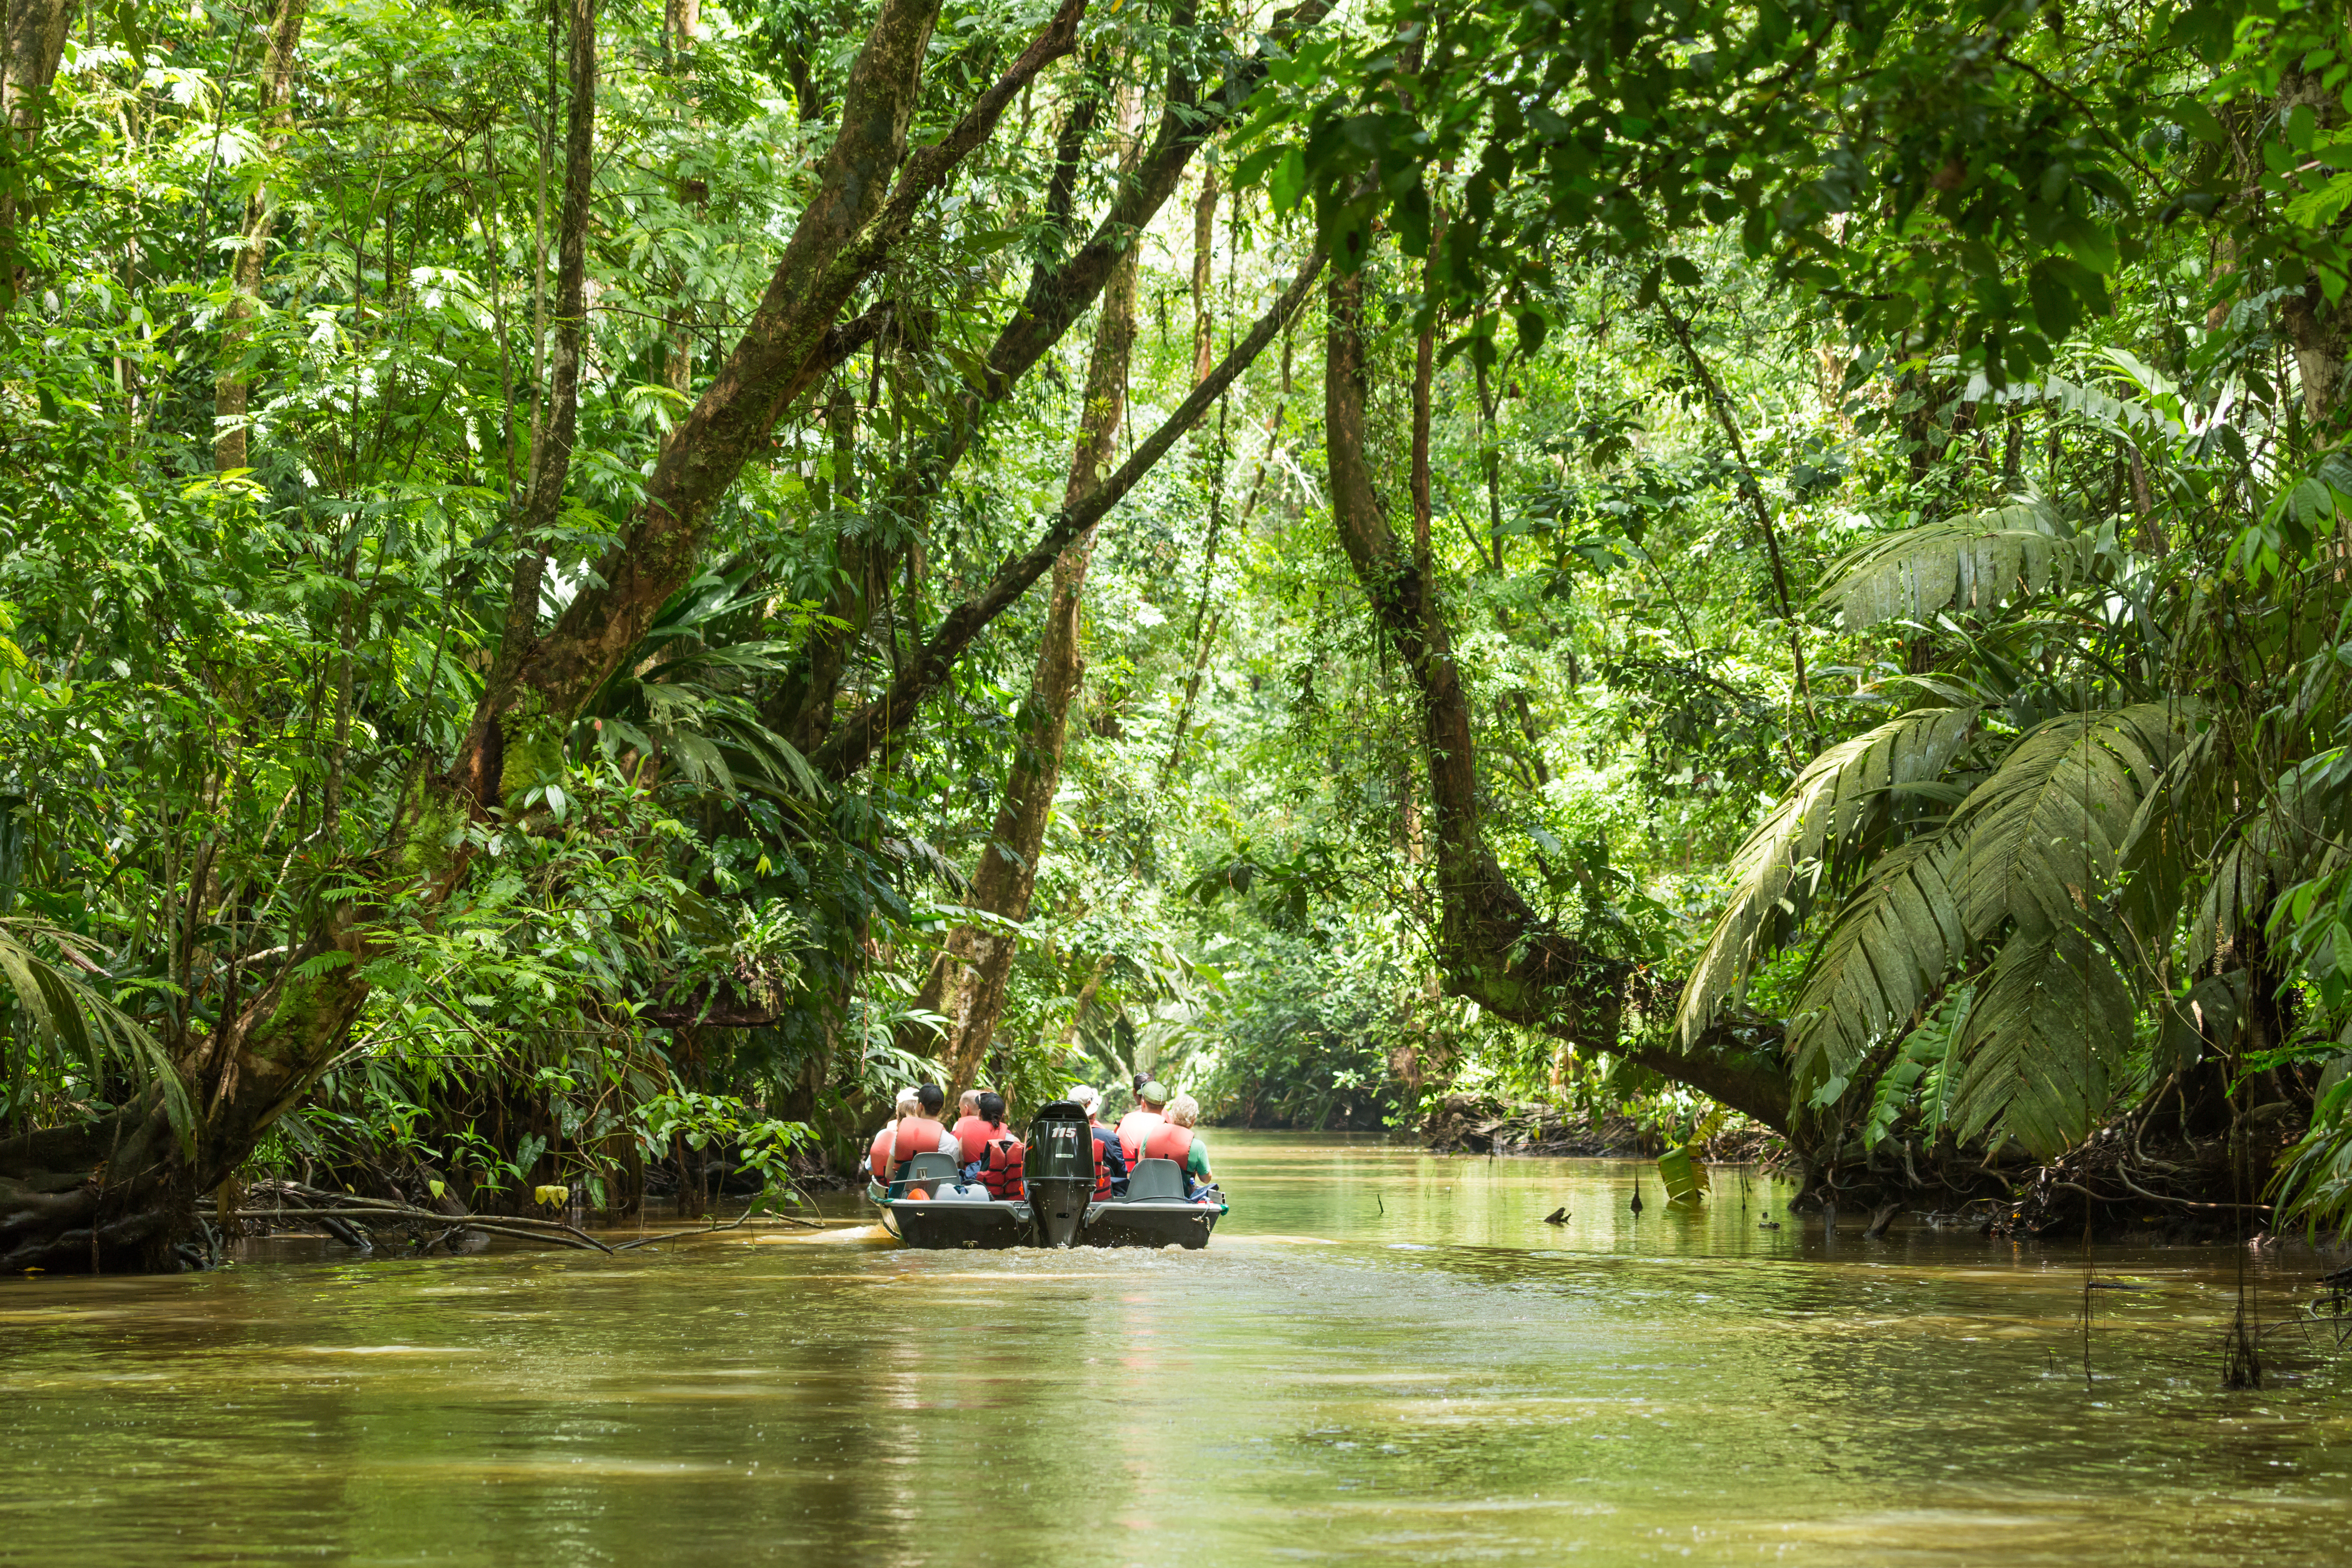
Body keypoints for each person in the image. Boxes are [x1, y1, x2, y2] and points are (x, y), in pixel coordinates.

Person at [1143, 1093, 1215, 1198]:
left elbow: (1141, 1163)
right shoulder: (1198, 1146)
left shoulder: (1151, 1134)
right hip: (1179, 1198)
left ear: (1172, 1115)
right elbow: (1206, 1179)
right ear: (1193, 1120)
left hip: (1147, 1194)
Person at [888, 1082, 958, 1180]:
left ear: (921, 1107)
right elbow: (954, 1177)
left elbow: (888, 1174)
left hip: (905, 1192)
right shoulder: (951, 1141)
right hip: (937, 1193)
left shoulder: (902, 1135)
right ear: (940, 1109)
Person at [1069, 1085, 1127, 1197]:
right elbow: (1121, 1175)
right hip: (1103, 1197)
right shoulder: (1109, 1138)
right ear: (1094, 1113)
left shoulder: (1059, 1136)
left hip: (1070, 1195)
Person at [973, 1091, 1025, 1200]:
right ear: (1002, 1115)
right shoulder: (1013, 1141)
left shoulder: (963, 1140)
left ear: (979, 1113)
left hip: (974, 1193)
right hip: (1002, 1196)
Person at [868, 1087, 920, 1183]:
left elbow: (871, 1171)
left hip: (891, 1186)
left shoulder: (882, 1135)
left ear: (898, 1112)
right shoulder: (931, 1138)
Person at [1117, 1081, 1169, 1168]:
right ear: (1164, 1106)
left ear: (1143, 1103)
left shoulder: (1126, 1119)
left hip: (1126, 1177)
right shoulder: (1167, 1129)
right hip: (1153, 1177)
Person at [951, 1089, 994, 1166]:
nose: (960, 1112)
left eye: (961, 1109)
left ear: (967, 1109)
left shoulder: (955, 1132)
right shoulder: (999, 1131)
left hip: (968, 1176)